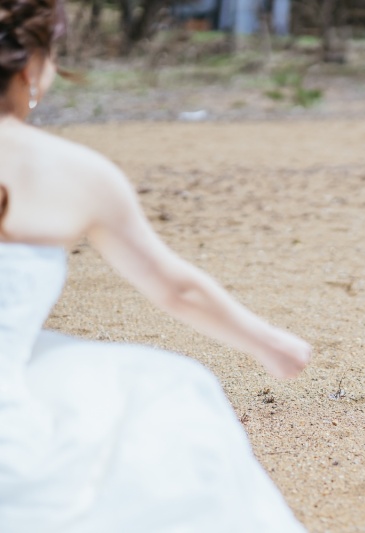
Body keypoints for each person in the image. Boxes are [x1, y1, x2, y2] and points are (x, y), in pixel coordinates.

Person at [0, 0, 311, 531]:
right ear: (31, 66)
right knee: (166, 393)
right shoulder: (75, 173)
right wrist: (269, 343)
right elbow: (175, 288)